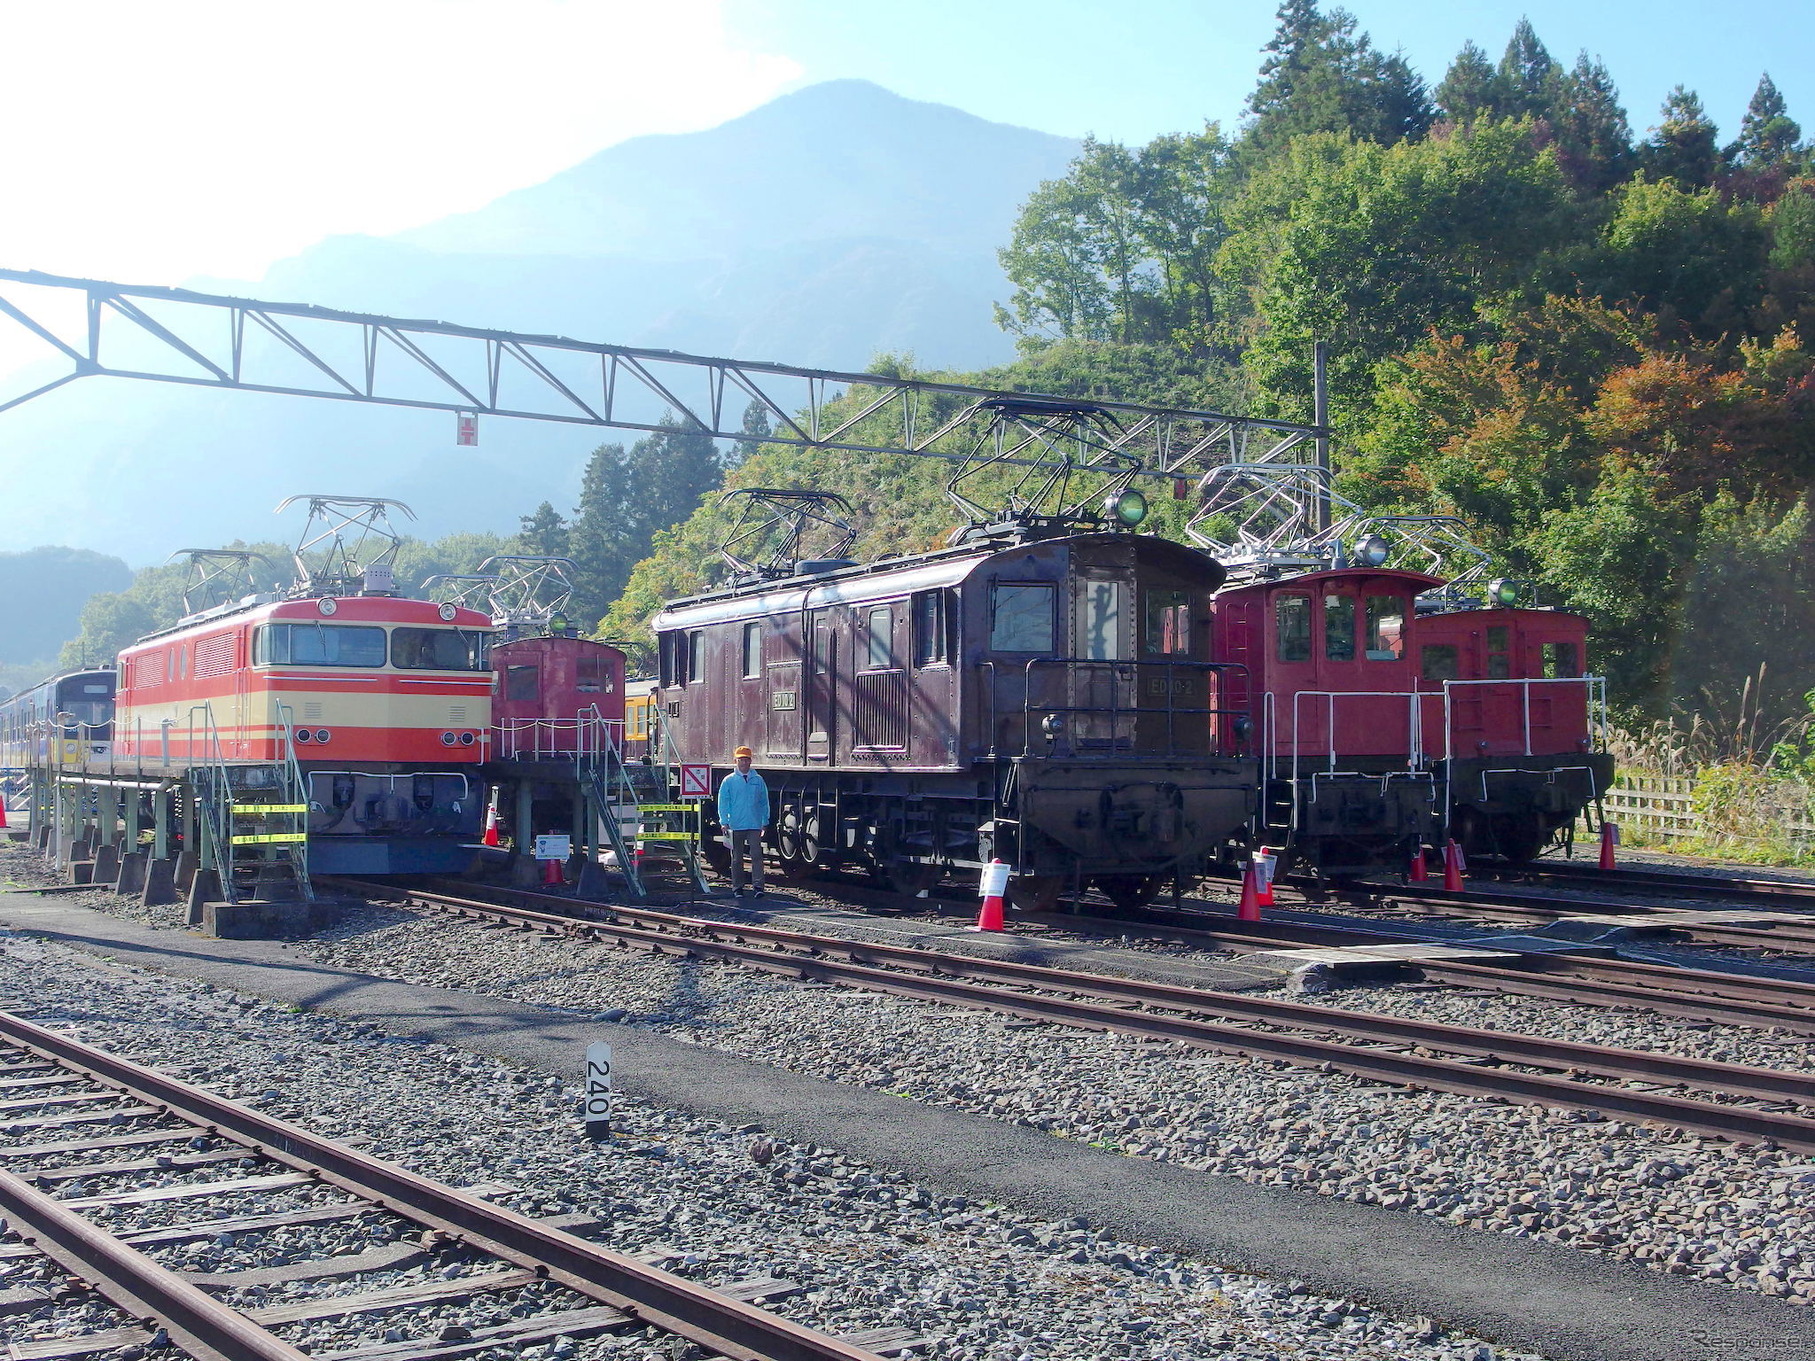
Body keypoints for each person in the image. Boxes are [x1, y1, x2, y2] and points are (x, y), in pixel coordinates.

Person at [716, 745, 770, 897]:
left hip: (754, 824)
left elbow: (764, 801)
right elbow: (723, 802)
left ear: (750, 761)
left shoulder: (758, 780)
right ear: (735, 761)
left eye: (746, 759)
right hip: (736, 824)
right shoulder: (729, 781)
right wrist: (724, 821)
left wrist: (764, 821)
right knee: (737, 858)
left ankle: (758, 887)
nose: (744, 763)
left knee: (757, 856)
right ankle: (737, 887)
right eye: (741, 759)